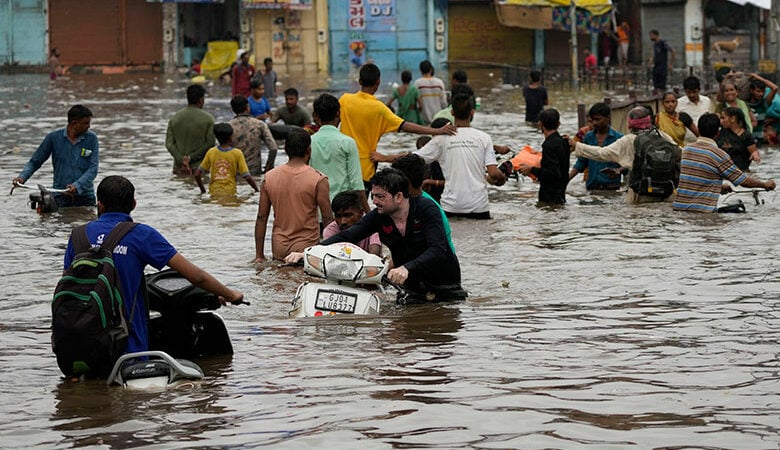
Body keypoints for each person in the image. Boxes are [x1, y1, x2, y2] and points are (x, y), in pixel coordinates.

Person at [64, 175, 244, 354]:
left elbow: (68, 285)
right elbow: (196, 276)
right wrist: (230, 294)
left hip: (81, 345)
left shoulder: (78, 236)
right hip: (129, 348)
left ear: (99, 204)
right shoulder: (141, 234)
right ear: (133, 204)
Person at [288, 168, 463, 299]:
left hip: (445, 284)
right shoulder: (379, 216)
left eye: (380, 196)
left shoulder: (426, 209)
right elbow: (347, 236)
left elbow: (438, 249)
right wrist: (307, 252)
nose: (374, 202)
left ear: (399, 197)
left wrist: (406, 267)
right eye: (373, 196)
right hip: (411, 287)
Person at [338, 63, 456, 189]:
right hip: (365, 167)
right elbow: (406, 126)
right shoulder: (379, 109)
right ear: (378, 82)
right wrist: (437, 131)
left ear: (359, 81)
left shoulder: (344, 100)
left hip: (342, 166)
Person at [410, 93, 506, 219]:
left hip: (450, 206)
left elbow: (413, 159)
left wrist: (385, 158)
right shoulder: (484, 138)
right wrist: (501, 177)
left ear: (452, 113)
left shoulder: (442, 138)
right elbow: (493, 174)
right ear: (472, 112)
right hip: (478, 207)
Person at [572, 105, 680, 204]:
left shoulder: (628, 140)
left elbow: (602, 153)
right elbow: (680, 154)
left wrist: (577, 145)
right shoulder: (661, 135)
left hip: (640, 192)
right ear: (649, 120)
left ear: (630, 123)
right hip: (665, 190)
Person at [254, 128, 333, 262]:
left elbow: (262, 218)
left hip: (279, 245)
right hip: (306, 246)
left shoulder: (269, 177)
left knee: (280, 281)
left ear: (285, 149)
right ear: (309, 150)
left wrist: (259, 255)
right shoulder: (318, 179)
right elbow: (327, 219)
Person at [673, 113, 775, 213]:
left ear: (698, 130)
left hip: (679, 208)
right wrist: (764, 184)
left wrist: (718, 186)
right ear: (718, 133)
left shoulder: (686, 149)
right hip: (702, 211)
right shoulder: (719, 154)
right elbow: (742, 181)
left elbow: (695, 177)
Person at [13, 105, 98, 207]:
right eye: (86, 123)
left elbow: (93, 169)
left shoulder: (92, 139)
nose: (89, 126)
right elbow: (35, 162)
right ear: (74, 123)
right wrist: (22, 178)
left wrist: (77, 186)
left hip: (86, 197)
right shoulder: (53, 138)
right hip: (60, 195)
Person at [309, 93, 368, 209]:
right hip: (342, 212)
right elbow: (356, 183)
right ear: (338, 114)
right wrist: (369, 215)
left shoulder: (309, 142)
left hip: (317, 210)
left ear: (315, 116)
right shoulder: (347, 142)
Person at [391, 153, 456, 253]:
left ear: (406, 181)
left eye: (395, 179)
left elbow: (434, 249)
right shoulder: (412, 201)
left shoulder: (426, 207)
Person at [568, 103, 625, 191]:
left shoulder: (619, 139)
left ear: (608, 118)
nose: (594, 123)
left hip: (612, 188)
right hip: (592, 188)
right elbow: (582, 162)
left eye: (598, 119)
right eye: (593, 120)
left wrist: (619, 170)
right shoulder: (588, 137)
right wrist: (566, 180)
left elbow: (628, 163)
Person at [518, 108, 569, 205]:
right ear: (558, 124)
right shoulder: (564, 142)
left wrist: (531, 169)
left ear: (540, 124)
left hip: (549, 197)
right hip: (561, 194)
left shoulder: (548, 145)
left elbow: (553, 174)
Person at [194, 123, 259, 198]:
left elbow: (197, 174)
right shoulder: (237, 153)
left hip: (213, 193)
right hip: (230, 193)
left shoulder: (211, 151)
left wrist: (203, 191)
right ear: (230, 137)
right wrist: (257, 190)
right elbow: (247, 176)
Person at [165, 84, 215, 175]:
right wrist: (190, 158)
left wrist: (181, 160)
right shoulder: (208, 119)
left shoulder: (174, 118)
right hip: (200, 168)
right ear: (201, 100)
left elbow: (169, 144)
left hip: (179, 168)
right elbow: (210, 143)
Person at [323, 190, 381, 257]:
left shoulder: (372, 225)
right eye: (338, 216)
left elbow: (375, 252)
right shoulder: (331, 230)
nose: (343, 221)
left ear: (360, 213)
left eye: (348, 215)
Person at [229, 96, 278, 175]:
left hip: (235, 172)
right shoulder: (259, 124)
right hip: (254, 171)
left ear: (233, 110)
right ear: (248, 107)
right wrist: (269, 167)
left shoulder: (229, 126)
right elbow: (273, 148)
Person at [717, 107, 759, 172]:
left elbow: (754, 152)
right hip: (724, 172)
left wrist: (755, 154)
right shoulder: (720, 133)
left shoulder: (746, 136)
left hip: (742, 172)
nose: (721, 121)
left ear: (732, 118)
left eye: (723, 118)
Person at [746, 73, 778, 145]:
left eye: (763, 91)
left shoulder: (764, 103)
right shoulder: (744, 104)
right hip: (748, 141)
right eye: (758, 91)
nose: (761, 94)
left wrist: (758, 77)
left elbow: (774, 88)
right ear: (751, 91)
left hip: (761, 140)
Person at [677, 76, 711, 143]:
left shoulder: (706, 101)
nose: (692, 95)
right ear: (685, 91)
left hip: (704, 141)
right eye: (689, 92)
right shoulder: (678, 103)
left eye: (694, 92)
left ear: (699, 90)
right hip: (686, 142)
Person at [414, 60, 448, 124]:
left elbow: (415, 102)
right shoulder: (439, 83)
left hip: (423, 119)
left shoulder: (417, 83)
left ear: (420, 71)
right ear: (431, 69)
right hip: (438, 119)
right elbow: (444, 103)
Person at [648, 29, 674, 94]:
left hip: (662, 67)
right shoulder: (655, 44)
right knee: (655, 84)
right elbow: (655, 54)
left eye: (651, 35)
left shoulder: (663, 43)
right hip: (656, 66)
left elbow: (673, 51)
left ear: (655, 35)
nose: (650, 37)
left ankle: (663, 97)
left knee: (662, 85)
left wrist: (671, 64)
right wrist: (651, 61)